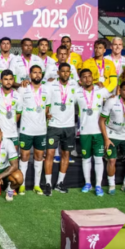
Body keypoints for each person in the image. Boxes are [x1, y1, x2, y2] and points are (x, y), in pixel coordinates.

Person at [45, 55, 79, 193]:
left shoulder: (75, 86)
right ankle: (47, 183)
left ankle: (60, 182)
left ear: (70, 73)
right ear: (58, 72)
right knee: (50, 154)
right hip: (53, 125)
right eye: (62, 71)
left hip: (69, 126)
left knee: (66, 155)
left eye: (67, 71)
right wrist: (45, 114)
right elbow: (45, 102)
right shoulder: (50, 85)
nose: (65, 73)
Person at [99, 80, 125, 195]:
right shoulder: (111, 101)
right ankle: (111, 186)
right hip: (111, 134)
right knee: (111, 159)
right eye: (124, 90)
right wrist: (106, 138)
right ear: (120, 91)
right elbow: (101, 121)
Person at [17, 64, 50, 194]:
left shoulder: (47, 90)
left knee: (39, 156)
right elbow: (18, 107)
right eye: (34, 72)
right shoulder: (23, 89)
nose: (37, 75)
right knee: (24, 156)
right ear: (30, 75)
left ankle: (37, 185)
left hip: (41, 130)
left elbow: (47, 107)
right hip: (26, 129)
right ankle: (22, 184)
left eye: (39, 72)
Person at [77, 67, 110, 196]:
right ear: (80, 80)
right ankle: (87, 183)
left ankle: (98, 186)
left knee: (98, 159)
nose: (87, 78)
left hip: (98, 131)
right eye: (84, 77)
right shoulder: (77, 93)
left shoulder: (101, 91)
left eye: (89, 76)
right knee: (86, 159)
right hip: (84, 132)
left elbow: (115, 99)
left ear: (93, 77)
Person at [0, 70, 22, 145]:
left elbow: (18, 114)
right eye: (6, 79)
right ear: (1, 80)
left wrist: (10, 123)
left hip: (12, 133)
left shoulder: (18, 96)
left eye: (11, 79)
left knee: (14, 156)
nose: (8, 82)